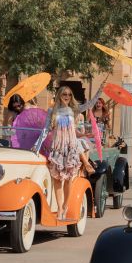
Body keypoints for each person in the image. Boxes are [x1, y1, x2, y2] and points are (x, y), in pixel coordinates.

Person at [38, 82, 94, 218]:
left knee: (69, 179)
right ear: (59, 95)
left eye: (69, 94)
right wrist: (37, 145)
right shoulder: (52, 111)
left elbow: (89, 104)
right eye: (64, 94)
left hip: (70, 146)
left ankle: (65, 206)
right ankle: (59, 209)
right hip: (57, 147)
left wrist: (100, 91)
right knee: (58, 180)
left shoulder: (73, 110)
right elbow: (46, 129)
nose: (67, 96)